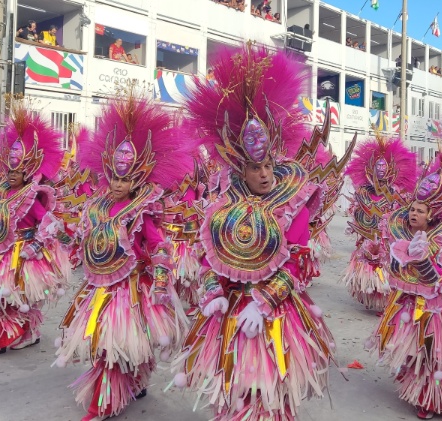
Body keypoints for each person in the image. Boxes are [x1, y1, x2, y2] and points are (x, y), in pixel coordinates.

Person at [172, 43, 335, 421]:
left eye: (268, 164)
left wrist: (264, 304)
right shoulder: (221, 207)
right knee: (232, 385)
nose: (264, 174)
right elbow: (208, 256)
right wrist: (213, 293)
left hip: (273, 310)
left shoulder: (292, 204)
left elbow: (296, 264)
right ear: (238, 168)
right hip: (230, 308)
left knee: (270, 385)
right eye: (254, 167)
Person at [54, 93, 193, 421]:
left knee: (118, 346)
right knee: (105, 344)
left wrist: (161, 282)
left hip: (131, 291)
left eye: (126, 178)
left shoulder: (144, 207)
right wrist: (56, 232)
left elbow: (159, 246)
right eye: (115, 176)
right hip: (99, 288)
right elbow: (81, 240)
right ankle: (128, 383)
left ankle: (109, 394)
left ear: (138, 177)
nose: (118, 183)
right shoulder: (96, 204)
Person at [366, 154, 442, 419]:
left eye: (420, 211)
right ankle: (415, 387)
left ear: (432, 215)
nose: (413, 213)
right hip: (406, 303)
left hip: (434, 309)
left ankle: (432, 397)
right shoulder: (399, 231)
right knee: (409, 350)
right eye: (412, 209)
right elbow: (391, 265)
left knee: (432, 356)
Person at [0, 106, 71, 357]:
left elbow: (49, 223)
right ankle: (3, 336)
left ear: (28, 171)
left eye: (17, 171)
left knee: (20, 298)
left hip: (23, 256)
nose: (12, 175)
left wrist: (37, 246)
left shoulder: (32, 194)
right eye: (9, 170)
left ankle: (27, 333)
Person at [342, 135, 416, 310]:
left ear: (390, 169)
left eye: (384, 166)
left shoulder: (396, 194)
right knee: (367, 266)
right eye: (378, 166)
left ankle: (384, 301)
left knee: (385, 268)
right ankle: (369, 295)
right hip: (367, 236)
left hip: (387, 240)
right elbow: (356, 213)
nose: (381, 169)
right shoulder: (363, 192)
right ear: (371, 168)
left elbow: (401, 217)